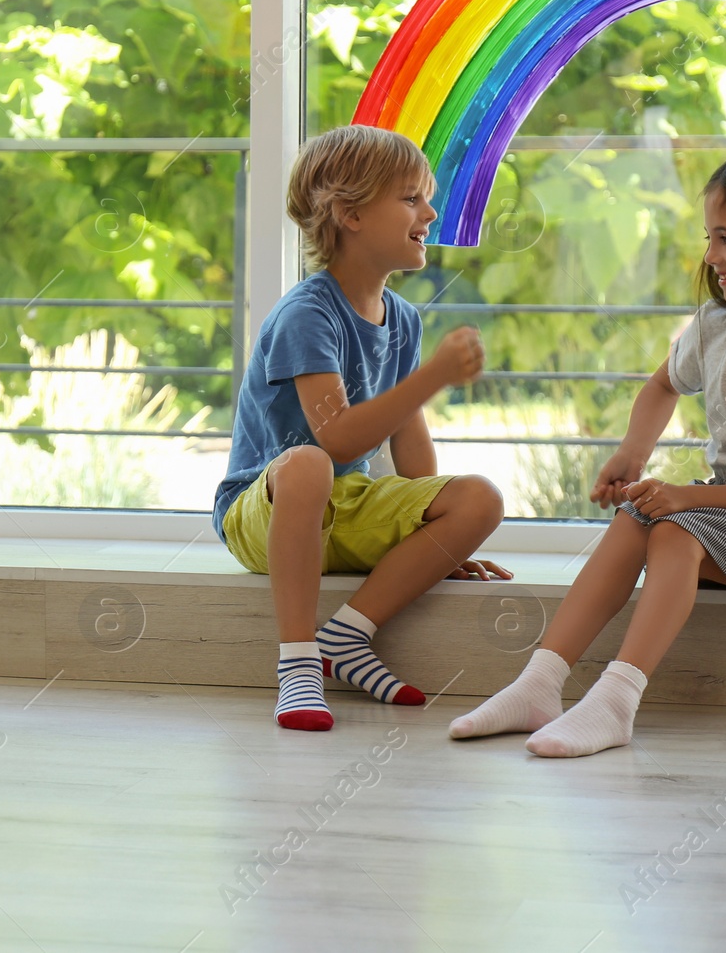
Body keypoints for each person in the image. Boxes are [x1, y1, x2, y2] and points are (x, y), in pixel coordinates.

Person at [448, 141, 726, 757]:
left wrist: (681, 497)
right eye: (710, 238)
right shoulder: (714, 325)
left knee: (675, 530)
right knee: (638, 518)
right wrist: (632, 456)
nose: (712, 257)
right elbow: (661, 385)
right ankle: (540, 684)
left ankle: (616, 702)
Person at [214, 124, 513, 732]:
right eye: (410, 198)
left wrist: (431, 532)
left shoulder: (402, 319)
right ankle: (298, 664)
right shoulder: (306, 313)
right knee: (309, 464)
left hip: (343, 506)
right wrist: (432, 377)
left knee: (479, 497)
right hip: (265, 508)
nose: (429, 211)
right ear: (349, 214)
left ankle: (347, 637)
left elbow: (412, 456)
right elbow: (339, 438)